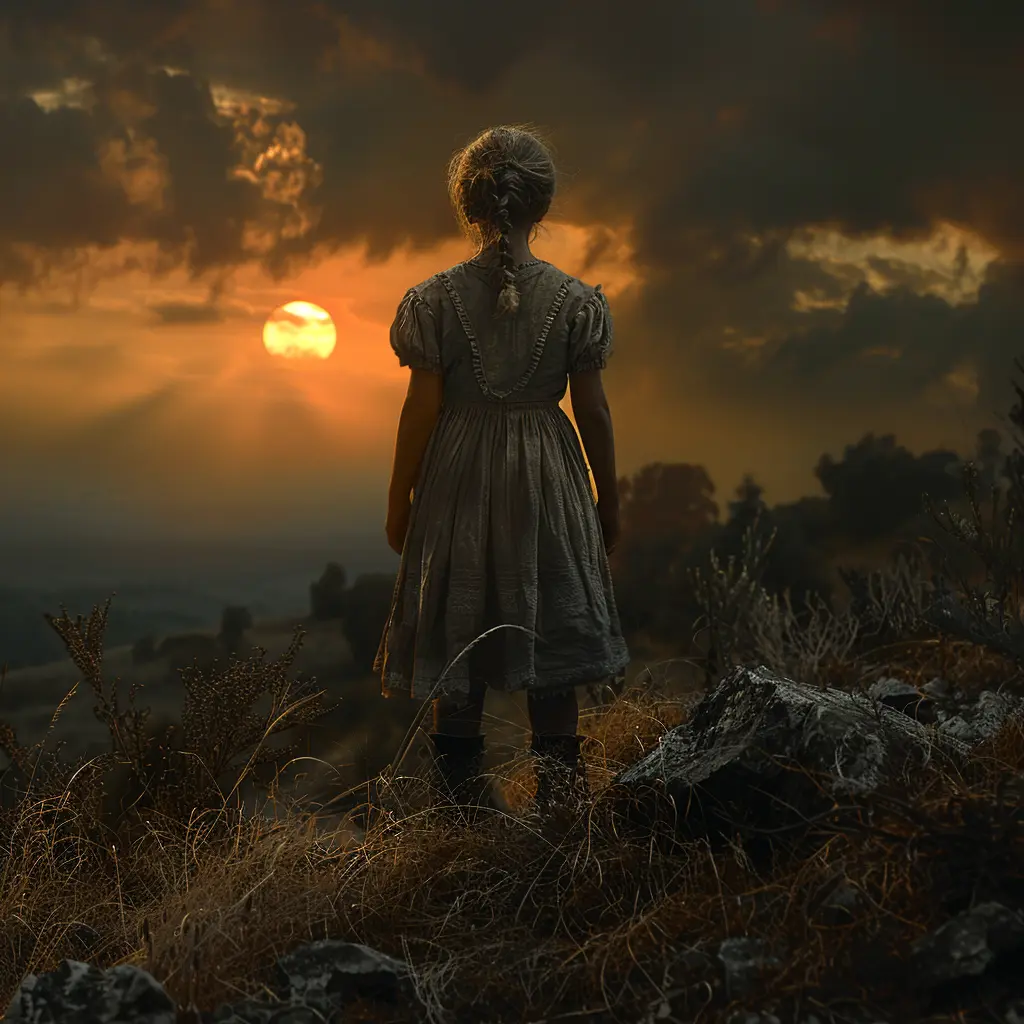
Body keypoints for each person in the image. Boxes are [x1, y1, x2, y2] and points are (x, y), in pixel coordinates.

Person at [373, 124, 630, 821]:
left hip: (457, 476)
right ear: (540, 208)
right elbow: (596, 416)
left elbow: (418, 414)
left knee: (464, 626)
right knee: (549, 618)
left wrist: (400, 500)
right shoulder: (577, 302)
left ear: (470, 203)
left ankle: (460, 814)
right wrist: (610, 503)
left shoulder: (432, 301)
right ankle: (562, 805)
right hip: (548, 476)